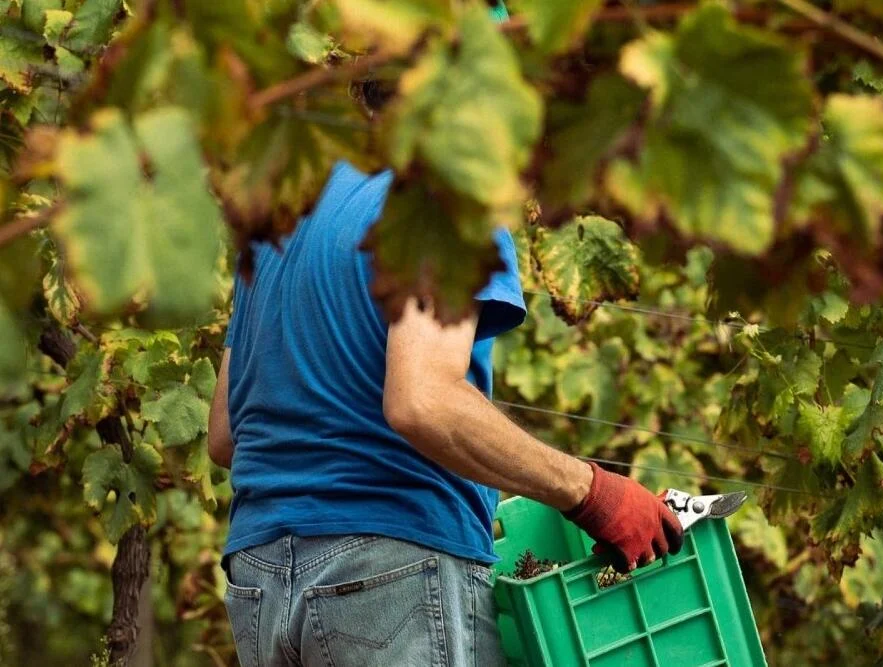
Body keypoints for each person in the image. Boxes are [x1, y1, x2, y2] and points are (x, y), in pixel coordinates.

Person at [206, 157, 684, 667]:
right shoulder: (449, 196)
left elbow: (225, 434)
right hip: (390, 567)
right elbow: (423, 400)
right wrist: (595, 494)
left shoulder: (285, 207)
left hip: (260, 579)